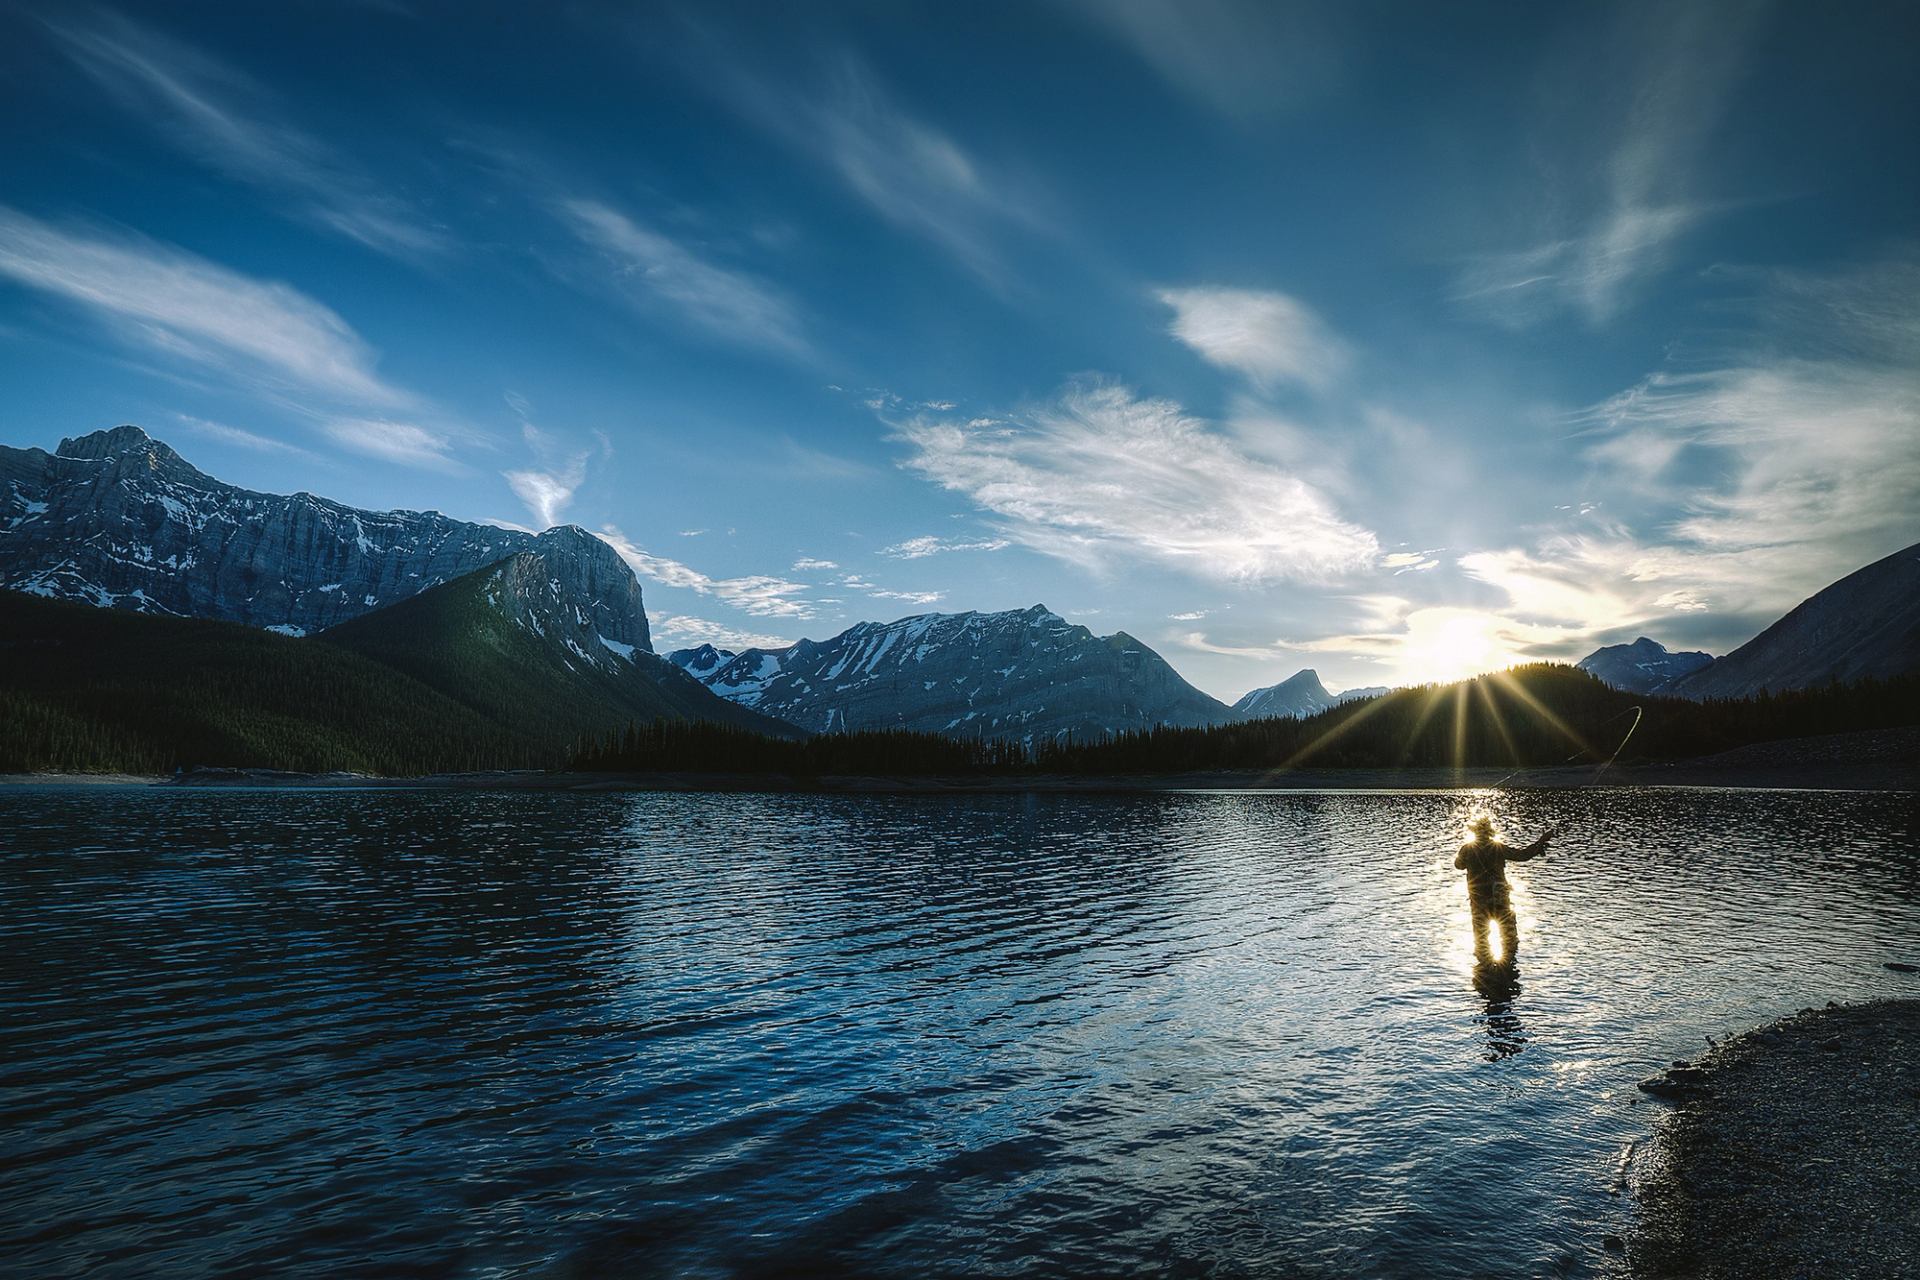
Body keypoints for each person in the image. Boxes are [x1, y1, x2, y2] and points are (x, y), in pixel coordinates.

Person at [1455, 815, 1553, 964]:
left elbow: (1458, 865)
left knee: (1481, 941)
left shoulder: (1467, 849)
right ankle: (1508, 969)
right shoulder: (1498, 847)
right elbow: (1522, 856)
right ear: (1490, 832)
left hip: (1479, 900)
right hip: (1499, 897)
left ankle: (1485, 972)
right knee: (1509, 940)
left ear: (1475, 832)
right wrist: (1539, 843)